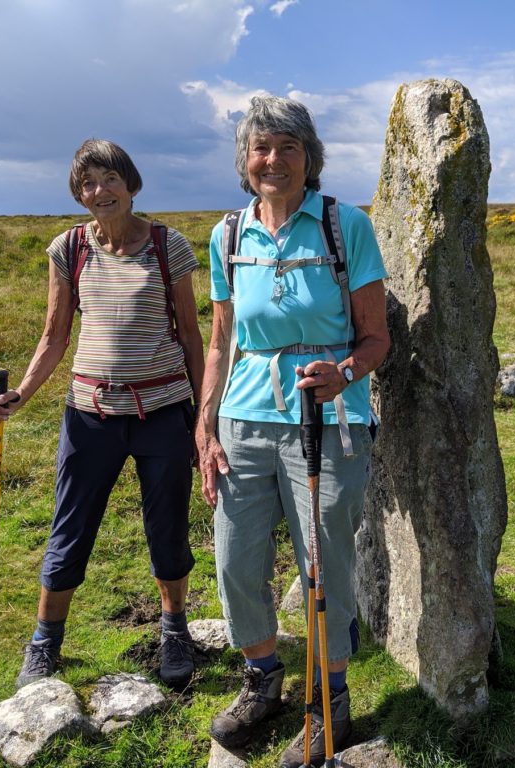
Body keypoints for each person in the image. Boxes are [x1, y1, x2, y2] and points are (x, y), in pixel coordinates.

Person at [196, 96, 389, 767]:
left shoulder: (344, 227)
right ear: (244, 162)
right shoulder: (227, 236)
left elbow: (376, 339)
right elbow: (220, 341)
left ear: (310, 158)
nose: (271, 160)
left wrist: (344, 372)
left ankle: (329, 700)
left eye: (286, 147)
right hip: (243, 420)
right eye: (259, 148)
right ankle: (263, 682)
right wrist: (205, 426)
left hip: (329, 422)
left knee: (323, 566)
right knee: (235, 560)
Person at [0, 139, 204, 691]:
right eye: (87, 184)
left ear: (131, 185)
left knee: (168, 525)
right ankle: (44, 643)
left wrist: (204, 417)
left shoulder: (166, 246)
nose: (98, 192)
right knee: (71, 527)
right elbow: (55, 334)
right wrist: (21, 395)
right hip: (90, 414)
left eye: (109, 179)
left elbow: (192, 335)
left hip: (163, 410)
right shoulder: (70, 248)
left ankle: (174, 629)